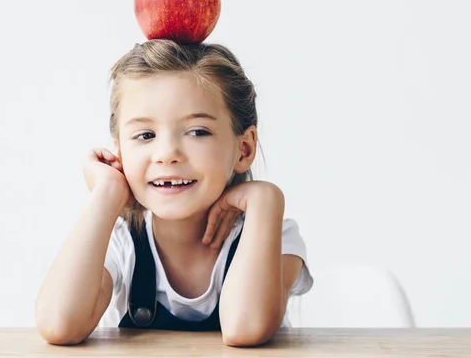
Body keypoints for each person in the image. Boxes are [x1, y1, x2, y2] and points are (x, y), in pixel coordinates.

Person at [35, 39, 313, 347]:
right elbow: (58, 324)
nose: (167, 154)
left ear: (243, 149)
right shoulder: (122, 243)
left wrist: (265, 202)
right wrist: (107, 192)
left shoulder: (273, 234)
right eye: (145, 135)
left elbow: (245, 329)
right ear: (121, 153)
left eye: (197, 131)